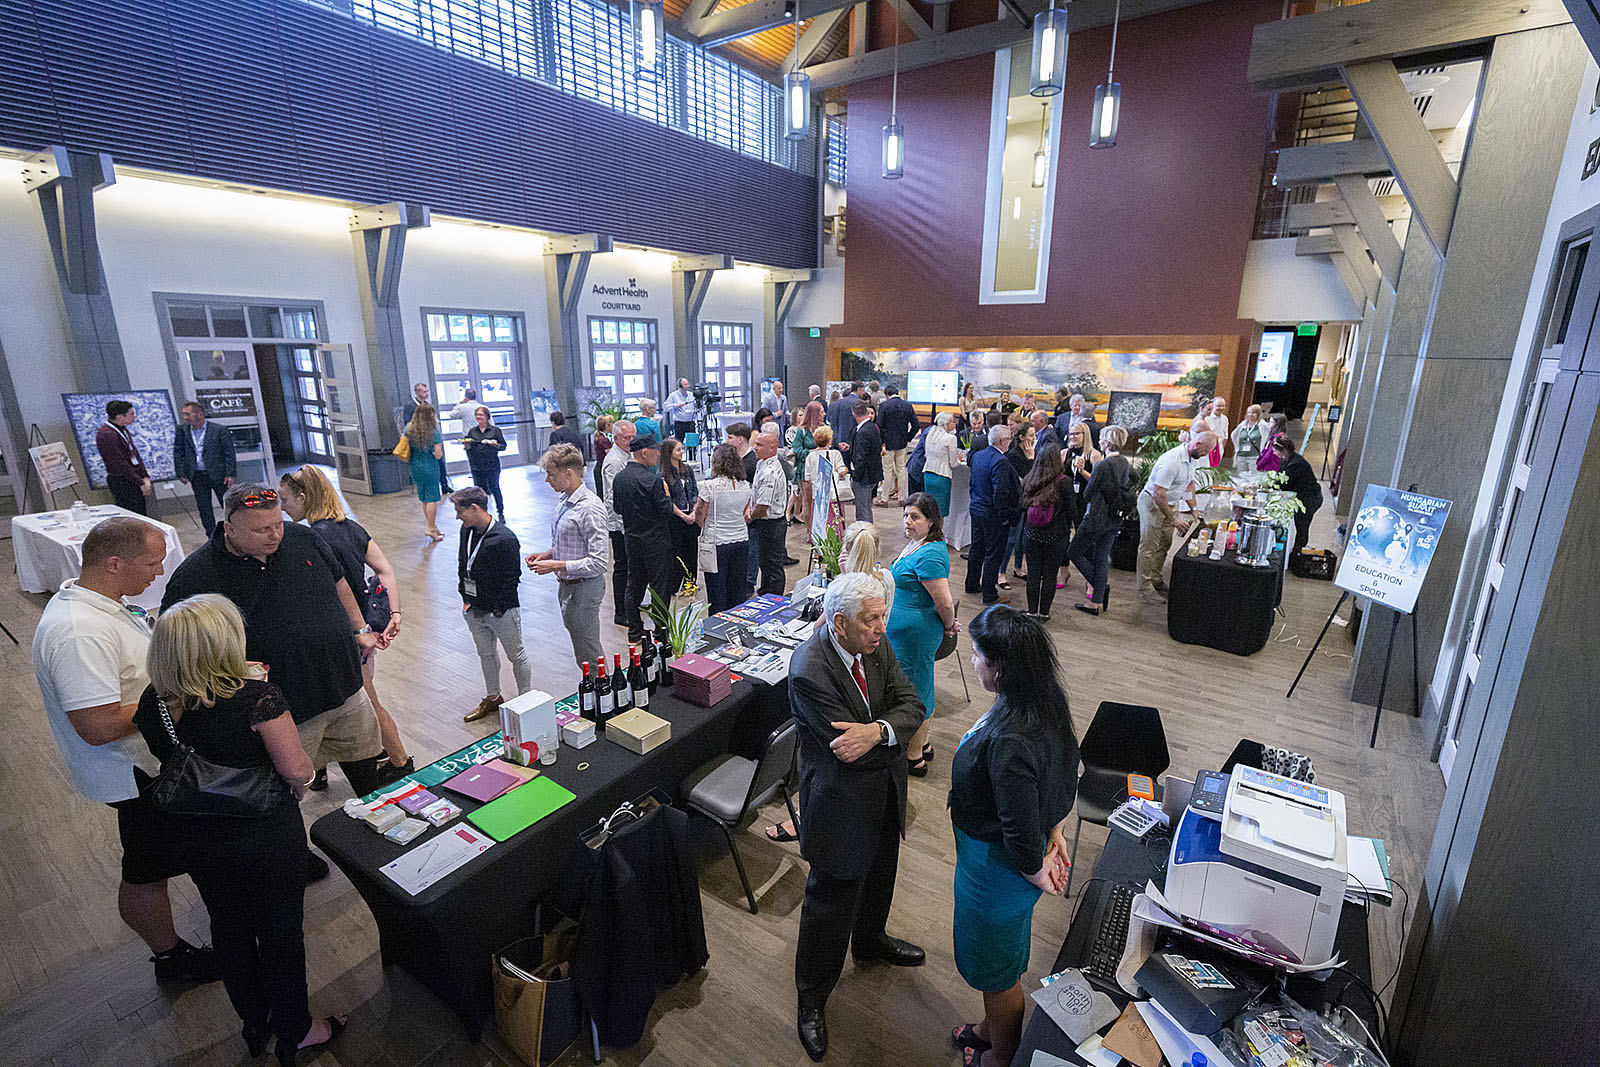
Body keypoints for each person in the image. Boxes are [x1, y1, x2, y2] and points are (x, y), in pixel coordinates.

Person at [134, 594, 348, 1065]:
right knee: (279, 932)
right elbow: (298, 770)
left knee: (228, 927)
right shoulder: (257, 699)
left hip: (195, 834)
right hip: (262, 834)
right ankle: (297, 1029)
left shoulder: (154, 703)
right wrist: (302, 785)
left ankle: (255, 1023)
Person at [32, 518, 220, 986]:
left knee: (156, 862)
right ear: (114, 563)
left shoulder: (101, 603)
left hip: (148, 764)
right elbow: (96, 726)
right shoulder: (79, 632)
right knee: (145, 872)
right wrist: (178, 694)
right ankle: (171, 957)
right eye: (152, 563)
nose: (159, 572)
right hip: (134, 774)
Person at [161, 484, 388, 797]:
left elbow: (339, 583)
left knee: (366, 772)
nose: (274, 535)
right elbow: (175, 639)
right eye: (261, 529)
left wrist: (360, 628)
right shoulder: (197, 574)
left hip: (344, 688)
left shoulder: (304, 538)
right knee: (289, 789)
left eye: (278, 524)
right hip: (284, 712)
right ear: (229, 529)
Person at [790, 572, 928, 1061]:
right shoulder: (809, 670)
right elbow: (846, 753)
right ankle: (811, 997)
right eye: (872, 619)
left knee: (880, 877)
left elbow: (913, 702)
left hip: (884, 793)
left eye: (883, 616)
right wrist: (887, 737)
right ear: (839, 623)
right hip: (840, 807)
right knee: (829, 906)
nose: (881, 628)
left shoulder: (875, 643)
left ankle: (869, 942)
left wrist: (877, 731)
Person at [948, 606, 1076, 1067]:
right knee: (1005, 958)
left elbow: (1018, 828)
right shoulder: (1043, 699)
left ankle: (1000, 1056)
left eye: (977, 656)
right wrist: (1055, 829)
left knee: (997, 973)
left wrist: (1037, 870)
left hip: (996, 874)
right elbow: (1063, 772)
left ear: (1001, 668)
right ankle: (991, 1029)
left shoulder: (1011, 742)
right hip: (1007, 869)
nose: (973, 662)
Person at [278, 466, 410, 780]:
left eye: (285, 500)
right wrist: (394, 614)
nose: (282, 508)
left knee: (369, 703)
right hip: (365, 630)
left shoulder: (310, 539)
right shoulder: (351, 528)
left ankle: (401, 762)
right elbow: (385, 570)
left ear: (303, 497)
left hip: (345, 636)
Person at [887, 494, 956, 777]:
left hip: (916, 637)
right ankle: (922, 743)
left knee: (917, 692)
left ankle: (914, 756)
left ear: (931, 522)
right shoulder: (918, 544)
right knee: (916, 687)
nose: (907, 521)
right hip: (906, 634)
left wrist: (949, 627)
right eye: (905, 515)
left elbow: (945, 603)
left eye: (915, 517)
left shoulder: (930, 555)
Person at [526, 443, 610, 670]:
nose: (547, 480)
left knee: (589, 652)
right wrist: (548, 555)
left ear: (569, 473)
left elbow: (599, 562)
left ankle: (602, 690)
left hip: (583, 589)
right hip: (568, 587)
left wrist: (556, 564)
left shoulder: (589, 509)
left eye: (551, 475)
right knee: (582, 650)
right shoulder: (565, 500)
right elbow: (572, 542)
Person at [453, 487, 533, 723]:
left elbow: (512, 577)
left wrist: (497, 609)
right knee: (485, 654)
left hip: (501, 611)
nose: (457, 517)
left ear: (474, 508)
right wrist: (465, 598)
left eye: (460, 511)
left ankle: (527, 702)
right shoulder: (466, 531)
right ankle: (493, 697)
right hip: (474, 608)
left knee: (516, 655)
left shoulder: (505, 538)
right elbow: (462, 564)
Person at [1138, 431, 1216, 602]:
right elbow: (1158, 493)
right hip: (1153, 503)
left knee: (1164, 544)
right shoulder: (1171, 462)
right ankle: (1144, 589)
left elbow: (1189, 484)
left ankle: (1155, 579)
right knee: (1149, 547)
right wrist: (1173, 518)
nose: (1206, 455)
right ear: (1197, 444)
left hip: (1169, 503)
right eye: (1206, 450)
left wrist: (1193, 507)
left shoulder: (1191, 459)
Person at [613, 433, 677, 642]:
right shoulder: (652, 480)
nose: (658, 454)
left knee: (634, 586)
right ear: (644, 452)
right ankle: (660, 633)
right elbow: (666, 511)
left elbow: (617, 508)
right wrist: (667, 494)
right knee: (659, 589)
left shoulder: (620, 478)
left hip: (632, 541)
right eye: (655, 450)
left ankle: (634, 631)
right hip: (656, 543)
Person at [1067, 425, 1135, 616]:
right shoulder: (1125, 463)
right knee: (1101, 557)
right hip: (1115, 518)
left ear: (1106, 442)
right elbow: (1135, 479)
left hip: (1096, 517)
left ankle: (1099, 589)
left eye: (1101, 439)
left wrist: (1083, 474)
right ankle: (1096, 600)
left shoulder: (1103, 465)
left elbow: (1087, 493)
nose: (1098, 442)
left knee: (1074, 551)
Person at [693, 444, 754, 613]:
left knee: (716, 592)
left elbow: (699, 514)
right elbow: (745, 512)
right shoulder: (745, 485)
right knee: (738, 589)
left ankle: (718, 626)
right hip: (741, 540)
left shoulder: (710, 486)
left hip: (717, 543)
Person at [1017, 446, 1074, 620]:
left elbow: (1022, 506)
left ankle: (1031, 611)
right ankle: (1044, 613)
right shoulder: (1064, 482)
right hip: (1056, 536)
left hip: (1031, 534)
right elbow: (1072, 511)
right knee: (1050, 575)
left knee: (1033, 573)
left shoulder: (1029, 479)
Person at [966, 425, 1020, 605]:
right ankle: (989, 594)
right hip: (992, 514)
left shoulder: (978, 455)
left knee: (977, 548)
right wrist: (1004, 516)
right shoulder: (1001, 461)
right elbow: (1001, 492)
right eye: (1010, 439)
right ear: (1003, 441)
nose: (1010, 443)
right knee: (993, 554)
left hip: (976, 508)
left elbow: (973, 483)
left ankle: (972, 583)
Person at [174, 401, 237, 534]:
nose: (185, 417)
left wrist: (231, 473)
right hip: (196, 475)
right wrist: (181, 472)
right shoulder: (182, 430)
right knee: (204, 508)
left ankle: (234, 530)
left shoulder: (219, 430)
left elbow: (229, 453)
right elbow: (178, 452)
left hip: (218, 473)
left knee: (227, 504)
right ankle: (211, 535)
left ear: (199, 414)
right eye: (184, 414)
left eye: (188, 414)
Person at [600, 419, 636, 627]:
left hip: (628, 521)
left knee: (631, 566)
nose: (630, 441)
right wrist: (624, 525)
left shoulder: (627, 455)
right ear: (615, 438)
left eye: (632, 437)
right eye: (626, 438)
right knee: (622, 566)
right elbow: (613, 497)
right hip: (618, 523)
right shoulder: (614, 461)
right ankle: (621, 611)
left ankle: (630, 604)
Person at [746, 430, 790, 595]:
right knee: (765, 562)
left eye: (759, 445)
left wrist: (749, 516)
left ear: (772, 448)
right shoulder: (762, 463)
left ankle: (775, 597)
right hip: (767, 523)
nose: (755, 448)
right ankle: (765, 592)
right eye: (755, 444)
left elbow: (763, 506)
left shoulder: (769, 473)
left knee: (772, 565)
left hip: (770, 525)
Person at [1270, 435, 1324, 554]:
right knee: (1301, 524)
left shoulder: (1296, 464)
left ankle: (1298, 552)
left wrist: (1270, 484)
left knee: (1302, 525)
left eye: (1276, 451)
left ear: (1284, 450)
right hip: (1304, 496)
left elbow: (1285, 483)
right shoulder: (1287, 460)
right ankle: (1297, 550)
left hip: (1310, 498)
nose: (1274, 453)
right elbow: (1279, 474)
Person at [97, 399, 152, 514]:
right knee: (131, 514)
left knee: (141, 513)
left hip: (133, 478)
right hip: (122, 480)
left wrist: (144, 476)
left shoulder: (123, 429)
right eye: (131, 414)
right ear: (119, 417)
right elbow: (118, 462)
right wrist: (139, 482)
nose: (134, 417)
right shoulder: (106, 434)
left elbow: (134, 454)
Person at [661, 437, 701, 596]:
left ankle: (690, 584)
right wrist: (682, 515)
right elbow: (667, 500)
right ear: (669, 452)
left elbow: (695, 491)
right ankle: (676, 586)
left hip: (691, 515)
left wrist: (694, 511)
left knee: (692, 551)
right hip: (675, 518)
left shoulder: (687, 469)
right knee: (676, 553)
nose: (682, 452)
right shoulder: (663, 474)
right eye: (678, 449)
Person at [402, 403, 446, 541]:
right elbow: (438, 455)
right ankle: (430, 528)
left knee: (424, 497)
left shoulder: (408, 429)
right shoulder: (433, 432)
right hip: (429, 465)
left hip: (414, 465)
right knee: (432, 498)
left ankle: (433, 527)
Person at [1000, 422, 1036, 588]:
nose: (1034, 439)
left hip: (1027, 500)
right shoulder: (1014, 455)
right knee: (1012, 539)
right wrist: (1031, 459)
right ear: (1021, 437)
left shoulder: (1030, 452)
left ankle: (1018, 568)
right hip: (1016, 502)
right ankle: (1001, 573)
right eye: (1031, 435)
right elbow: (1027, 478)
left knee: (1022, 537)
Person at [402, 383, 452, 498]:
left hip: (430, 439)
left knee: (440, 462)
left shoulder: (428, 405)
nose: (427, 394)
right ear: (417, 392)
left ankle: (444, 485)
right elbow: (407, 422)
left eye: (427, 391)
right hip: (418, 442)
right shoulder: (410, 406)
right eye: (424, 392)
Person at [876, 385, 919, 505]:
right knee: (901, 469)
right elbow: (916, 424)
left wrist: (882, 442)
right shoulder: (907, 405)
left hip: (887, 443)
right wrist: (908, 437)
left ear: (887, 395)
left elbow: (879, 425)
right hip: (902, 442)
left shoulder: (884, 406)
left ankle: (884, 499)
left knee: (887, 471)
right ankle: (902, 498)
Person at [462, 406, 508, 521]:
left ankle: (500, 512)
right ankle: (481, 514)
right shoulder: (472, 431)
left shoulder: (495, 431)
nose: (478, 417)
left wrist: (495, 444)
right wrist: (467, 446)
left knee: (494, 487)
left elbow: (503, 446)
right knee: (478, 491)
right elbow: (469, 448)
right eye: (477, 415)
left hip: (492, 464)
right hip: (477, 466)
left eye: (481, 415)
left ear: (487, 416)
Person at [804, 425, 847, 528]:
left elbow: (807, 479)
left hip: (817, 496)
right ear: (829, 440)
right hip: (833, 495)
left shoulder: (810, 456)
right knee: (834, 524)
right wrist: (846, 470)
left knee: (820, 525)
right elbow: (842, 471)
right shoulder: (835, 454)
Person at [924, 411, 963, 519]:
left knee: (930, 510)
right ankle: (938, 530)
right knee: (940, 512)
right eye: (953, 422)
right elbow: (953, 463)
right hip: (942, 477)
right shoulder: (951, 438)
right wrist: (959, 459)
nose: (954, 424)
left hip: (928, 475)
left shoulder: (930, 434)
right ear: (946, 423)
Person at [849, 400, 882, 524]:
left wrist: (856, 476)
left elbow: (860, 458)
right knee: (867, 507)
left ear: (854, 415)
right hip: (872, 474)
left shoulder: (863, 432)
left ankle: (865, 532)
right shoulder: (872, 427)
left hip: (863, 477)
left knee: (863, 511)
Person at [788, 402, 821, 524]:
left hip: (820, 468)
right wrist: (811, 452)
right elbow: (796, 450)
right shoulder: (802, 431)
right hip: (805, 470)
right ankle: (809, 530)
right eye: (821, 412)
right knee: (808, 502)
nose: (824, 414)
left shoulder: (823, 428)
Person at [1231, 403, 1269, 473]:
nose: (1250, 414)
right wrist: (1237, 447)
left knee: (1253, 477)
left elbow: (1269, 434)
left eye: (1253, 413)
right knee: (1241, 476)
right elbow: (1233, 435)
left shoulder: (1262, 425)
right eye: (1249, 412)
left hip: (1254, 456)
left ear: (1258, 414)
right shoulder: (1243, 424)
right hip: (1241, 455)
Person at [592, 413, 615, 494]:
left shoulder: (600, 437)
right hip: (602, 468)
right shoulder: (604, 440)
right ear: (607, 425)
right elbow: (611, 455)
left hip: (599, 467)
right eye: (612, 423)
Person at [1206, 397, 1231, 468]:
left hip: (1219, 450)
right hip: (1208, 450)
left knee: (1215, 470)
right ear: (1213, 406)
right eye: (1218, 406)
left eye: (1223, 406)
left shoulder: (1225, 419)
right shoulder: (1207, 418)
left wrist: (1221, 449)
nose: (1221, 408)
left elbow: (1225, 436)